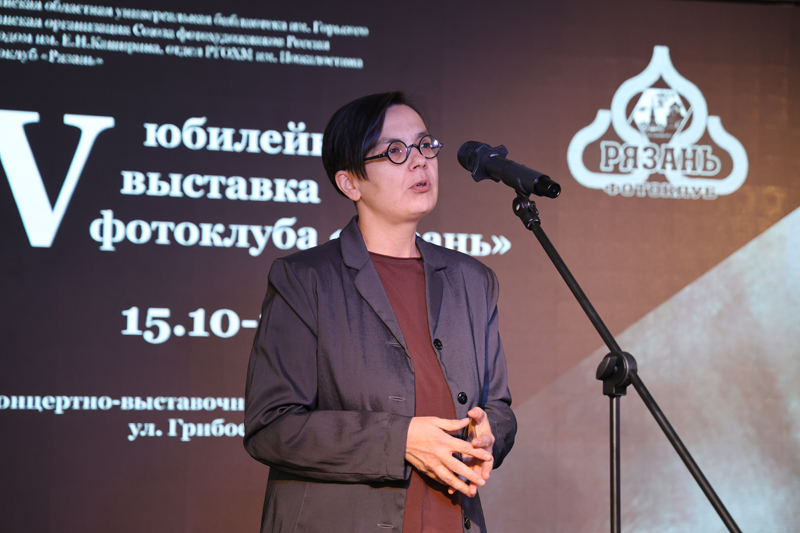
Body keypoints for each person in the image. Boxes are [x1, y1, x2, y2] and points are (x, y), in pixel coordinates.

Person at [244, 91, 516, 533]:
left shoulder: (473, 280)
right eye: (394, 151)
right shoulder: (305, 279)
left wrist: (491, 433)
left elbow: (498, 406)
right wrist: (399, 440)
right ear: (350, 183)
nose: (419, 161)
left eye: (425, 145)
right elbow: (271, 428)